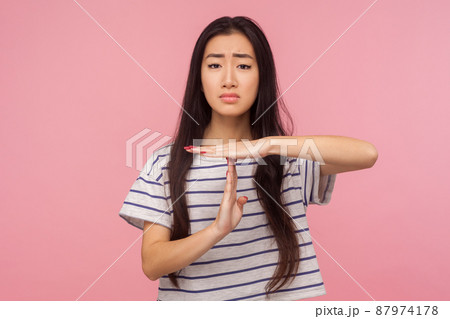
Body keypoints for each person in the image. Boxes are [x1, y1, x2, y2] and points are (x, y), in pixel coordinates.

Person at [119, 16, 378, 301]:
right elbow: (152, 263)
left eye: (243, 65)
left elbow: (366, 154)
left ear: (261, 78)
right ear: (200, 80)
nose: (229, 79)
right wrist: (217, 230)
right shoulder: (165, 164)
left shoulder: (285, 158)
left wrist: (264, 145)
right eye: (215, 65)